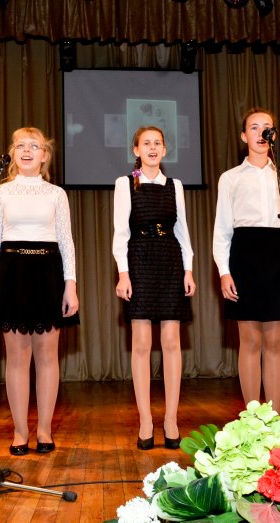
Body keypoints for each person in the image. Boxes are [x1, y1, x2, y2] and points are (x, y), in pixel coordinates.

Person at [0, 127, 79, 455]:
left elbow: (66, 240)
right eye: (20, 145)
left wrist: (70, 284)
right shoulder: (0, 193)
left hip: (47, 272)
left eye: (34, 146)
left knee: (47, 356)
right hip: (11, 273)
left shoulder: (56, 194)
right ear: (12, 153)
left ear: (45, 155)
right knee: (16, 356)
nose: (27, 151)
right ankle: (19, 431)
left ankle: (44, 430)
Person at [213, 107, 280, 413]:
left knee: (275, 342)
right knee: (250, 341)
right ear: (244, 136)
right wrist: (224, 271)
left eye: (267, 127)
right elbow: (222, 229)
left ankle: (274, 418)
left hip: (278, 255)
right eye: (254, 127)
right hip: (245, 255)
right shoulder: (230, 178)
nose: (261, 132)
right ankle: (252, 417)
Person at [113, 126, 196, 450]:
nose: (152, 147)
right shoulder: (125, 184)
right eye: (146, 143)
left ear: (164, 150)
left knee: (172, 343)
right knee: (142, 344)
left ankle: (171, 420)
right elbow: (120, 233)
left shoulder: (175, 186)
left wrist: (188, 270)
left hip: (170, 260)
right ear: (136, 150)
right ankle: (145, 421)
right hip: (139, 261)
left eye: (157, 143)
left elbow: (183, 231)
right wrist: (123, 274)